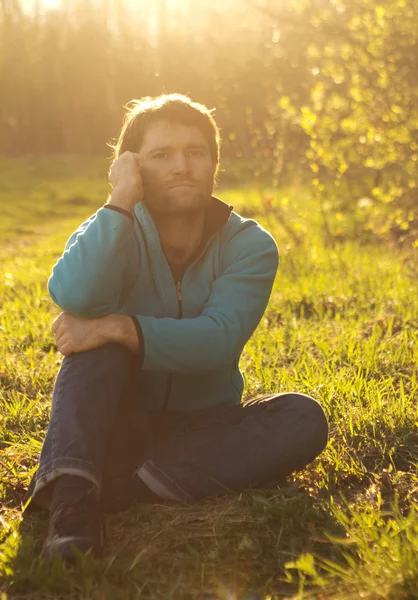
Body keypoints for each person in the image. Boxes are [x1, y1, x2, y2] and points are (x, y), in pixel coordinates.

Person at [26, 94, 328, 562]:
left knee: (303, 417)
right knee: (95, 348)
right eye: (161, 155)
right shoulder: (112, 226)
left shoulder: (250, 245)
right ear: (132, 166)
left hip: (205, 425)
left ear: (213, 165)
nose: (182, 167)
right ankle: (72, 505)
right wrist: (121, 200)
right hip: (121, 416)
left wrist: (121, 326)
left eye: (195, 153)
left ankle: (126, 485)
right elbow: (74, 297)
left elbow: (218, 339)